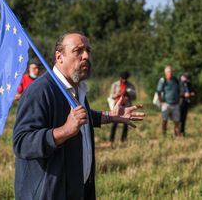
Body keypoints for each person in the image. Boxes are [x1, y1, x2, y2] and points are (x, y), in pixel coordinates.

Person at [12, 32, 145, 199]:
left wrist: (109, 116)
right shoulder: (39, 91)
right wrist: (65, 131)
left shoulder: (77, 89)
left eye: (88, 50)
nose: (86, 56)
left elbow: (80, 117)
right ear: (59, 57)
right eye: (78, 51)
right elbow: (22, 143)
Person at [109, 71, 137, 144]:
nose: (124, 80)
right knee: (114, 123)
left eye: (126, 79)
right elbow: (111, 95)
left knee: (126, 124)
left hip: (126, 106)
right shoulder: (115, 85)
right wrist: (118, 93)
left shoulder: (131, 85)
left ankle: (123, 140)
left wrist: (128, 94)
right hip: (117, 106)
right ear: (120, 78)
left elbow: (134, 97)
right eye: (123, 79)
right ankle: (111, 140)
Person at [156, 66, 181, 136]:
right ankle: (164, 135)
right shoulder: (163, 80)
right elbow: (158, 91)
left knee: (177, 121)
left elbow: (179, 91)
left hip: (175, 104)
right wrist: (161, 102)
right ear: (165, 73)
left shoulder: (175, 80)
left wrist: (179, 100)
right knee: (164, 120)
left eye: (171, 71)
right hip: (166, 104)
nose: (170, 73)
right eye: (169, 72)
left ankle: (177, 136)